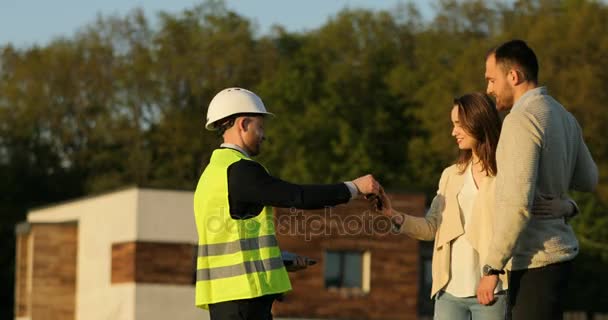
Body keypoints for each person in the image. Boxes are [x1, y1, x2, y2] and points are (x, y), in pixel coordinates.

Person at [374, 92, 576, 320]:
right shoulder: (450, 175)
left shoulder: (508, 173)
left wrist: (568, 207)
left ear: (478, 121)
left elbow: (536, 204)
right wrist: (392, 215)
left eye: (459, 124)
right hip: (448, 293)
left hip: (493, 291)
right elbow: (432, 228)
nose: (453, 132)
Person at [193, 87, 380, 320]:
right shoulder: (241, 170)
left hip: (226, 298)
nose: (264, 135)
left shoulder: (211, 175)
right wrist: (353, 188)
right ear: (243, 124)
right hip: (245, 298)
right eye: (260, 127)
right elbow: (297, 196)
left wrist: (281, 260)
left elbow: (231, 239)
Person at [476, 39, 599, 320]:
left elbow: (516, 204)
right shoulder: (564, 116)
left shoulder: (520, 120)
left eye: (492, 80)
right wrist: (568, 206)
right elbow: (589, 179)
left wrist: (493, 268)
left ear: (514, 76)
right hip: (562, 258)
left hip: (536, 261)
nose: (488, 89)